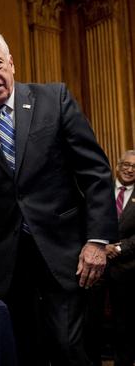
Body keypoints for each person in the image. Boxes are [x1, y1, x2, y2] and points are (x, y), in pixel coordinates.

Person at [0, 32, 118, 366]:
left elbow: (95, 172)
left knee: (68, 347)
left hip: (65, 253)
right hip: (7, 264)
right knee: (20, 352)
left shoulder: (53, 98)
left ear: (11, 63)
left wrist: (97, 241)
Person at [104, 150, 135, 366]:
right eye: (126, 165)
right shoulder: (99, 189)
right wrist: (102, 246)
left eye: (134, 167)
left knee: (124, 324)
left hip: (128, 269)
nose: (130, 170)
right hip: (95, 266)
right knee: (91, 321)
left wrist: (120, 248)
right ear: (118, 165)